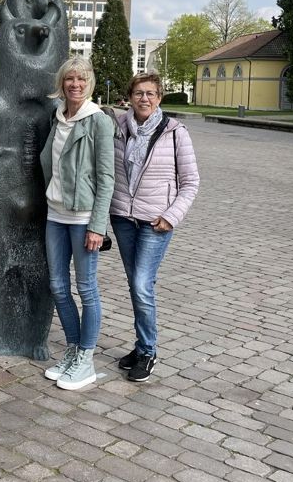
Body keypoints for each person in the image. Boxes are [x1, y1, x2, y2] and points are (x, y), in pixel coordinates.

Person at [110, 72, 200, 383]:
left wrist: (171, 216)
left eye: (150, 93)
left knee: (141, 285)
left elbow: (190, 183)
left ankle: (148, 350)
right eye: (138, 93)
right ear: (130, 97)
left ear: (159, 98)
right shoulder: (118, 127)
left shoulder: (175, 132)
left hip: (155, 223)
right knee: (137, 284)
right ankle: (140, 346)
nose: (144, 98)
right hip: (122, 218)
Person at [40, 57, 114, 390]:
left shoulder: (97, 121)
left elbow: (106, 177)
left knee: (86, 289)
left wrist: (98, 225)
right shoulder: (58, 118)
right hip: (55, 213)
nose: (75, 84)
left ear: (89, 83)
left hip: (83, 217)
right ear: (62, 83)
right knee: (58, 286)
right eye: (70, 78)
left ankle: (86, 357)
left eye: (81, 79)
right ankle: (72, 349)